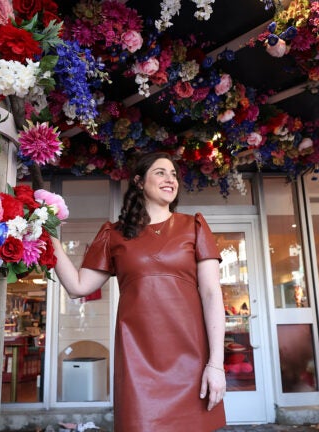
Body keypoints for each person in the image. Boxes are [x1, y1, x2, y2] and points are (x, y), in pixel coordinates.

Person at [51, 152, 227, 431]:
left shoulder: (194, 226)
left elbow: (211, 294)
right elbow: (77, 287)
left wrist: (215, 364)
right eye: (160, 172)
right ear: (139, 182)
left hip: (191, 359)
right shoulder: (113, 234)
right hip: (137, 362)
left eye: (173, 174)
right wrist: (47, 235)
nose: (170, 179)